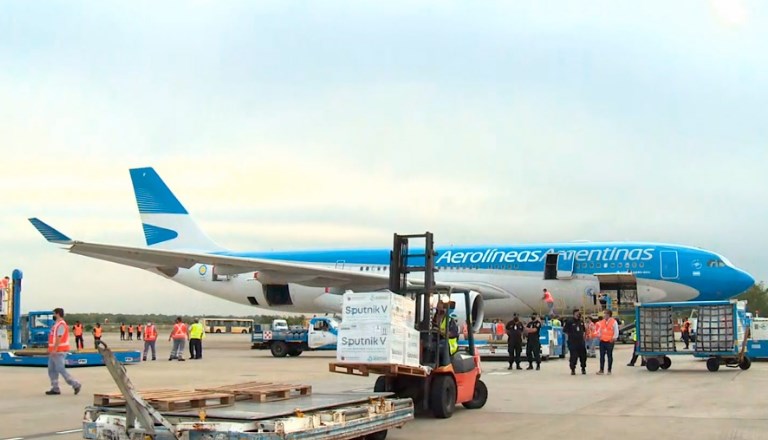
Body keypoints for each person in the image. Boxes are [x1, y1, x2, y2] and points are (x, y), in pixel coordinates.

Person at [46, 308, 81, 395]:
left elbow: (59, 337)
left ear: (58, 314)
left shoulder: (61, 324)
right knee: (52, 369)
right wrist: (50, 349)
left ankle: (75, 384)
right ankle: (55, 388)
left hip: (59, 351)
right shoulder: (56, 324)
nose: (53, 315)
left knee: (60, 369)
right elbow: (52, 338)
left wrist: (54, 349)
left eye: (54, 313)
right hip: (54, 351)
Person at [563, 309, 588, 375]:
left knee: (583, 356)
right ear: (574, 313)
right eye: (577, 313)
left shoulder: (581, 321)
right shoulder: (569, 321)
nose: (579, 314)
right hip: (573, 342)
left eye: (579, 313)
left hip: (581, 342)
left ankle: (583, 368)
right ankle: (573, 369)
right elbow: (565, 331)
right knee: (573, 356)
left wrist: (584, 337)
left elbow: (584, 330)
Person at [596, 310, 619, 375]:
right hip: (602, 341)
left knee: (609, 355)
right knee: (602, 356)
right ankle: (601, 369)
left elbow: (616, 330)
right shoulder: (602, 322)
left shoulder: (613, 322)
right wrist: (599, 336)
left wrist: (614, 338)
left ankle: (609, 370)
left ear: (608, 315)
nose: (604, 315)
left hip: (610, 341)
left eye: (605, 314)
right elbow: (600, 330)